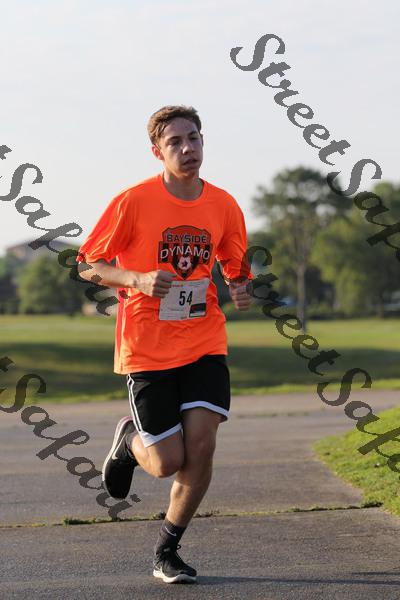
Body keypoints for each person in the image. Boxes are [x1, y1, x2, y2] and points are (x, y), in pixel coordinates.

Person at [76, 105, 254, 584]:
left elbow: (235, 262)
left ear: (203, 141)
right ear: (157, 151)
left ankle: (167, 550)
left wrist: (241, 285)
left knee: (202, 446)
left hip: (204, 338)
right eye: (175, 142)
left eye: (193, 138)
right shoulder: (133, 201)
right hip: (147, 345)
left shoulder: (223, 204)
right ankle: (129, 442)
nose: (187, 148)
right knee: (167, 462)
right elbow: (87, 264)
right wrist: (135, 278)